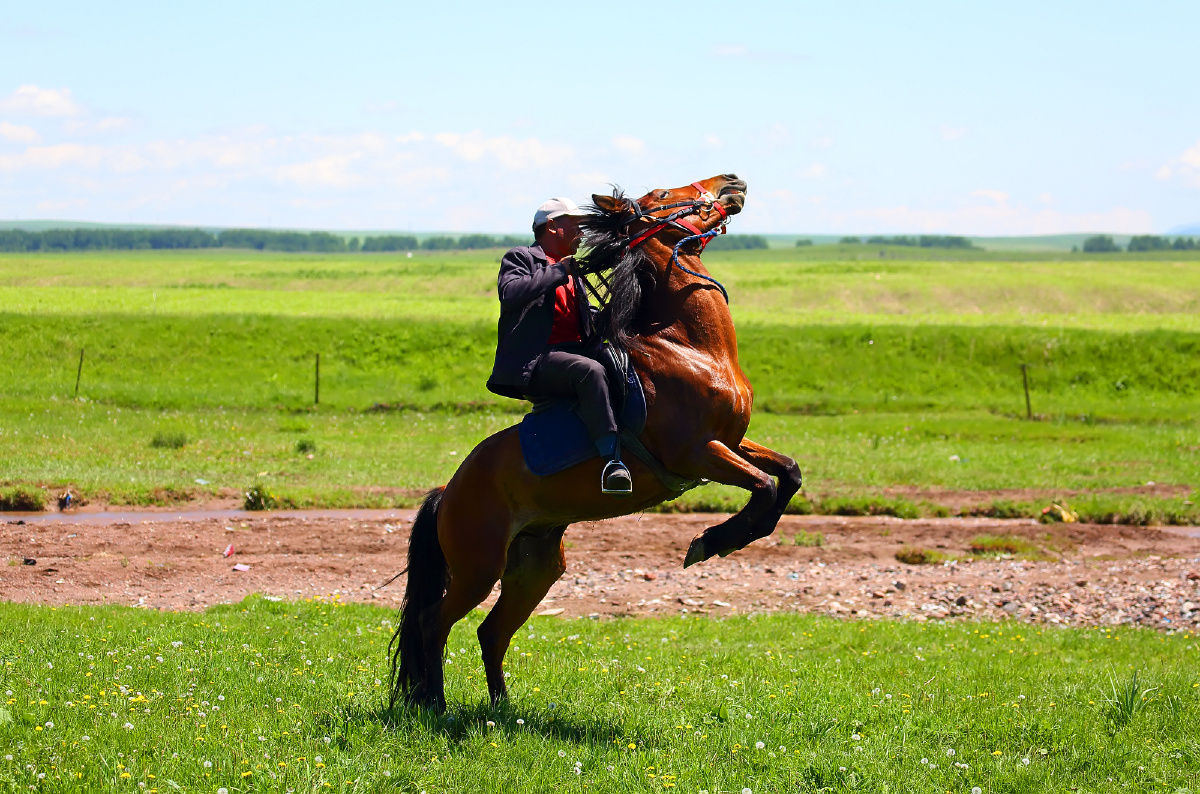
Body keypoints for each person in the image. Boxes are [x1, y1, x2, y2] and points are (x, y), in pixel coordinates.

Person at [486, 197, 633, 494]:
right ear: (553, 227)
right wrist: (559, 272)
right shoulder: (521, 257)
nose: (581, 232)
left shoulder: (569, 269)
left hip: (572, 352)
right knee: (588, 371)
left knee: (626, 362)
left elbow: (583, 318)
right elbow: (511, 293)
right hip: (536, 361)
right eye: (576, 225)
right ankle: (611, 461)